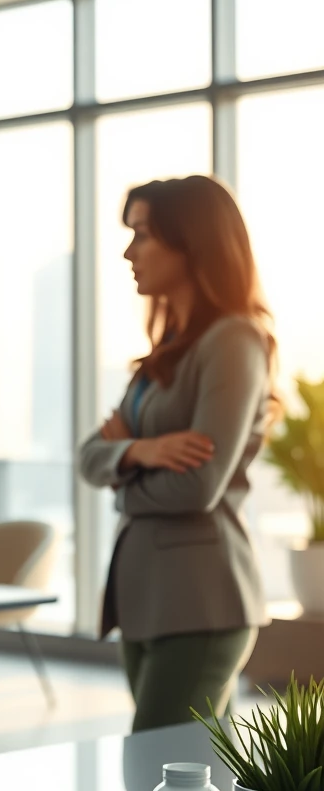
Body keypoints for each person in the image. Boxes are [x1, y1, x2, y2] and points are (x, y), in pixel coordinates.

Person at [78, 175, 276, 733]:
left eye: (142, 234)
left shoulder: (234, 341)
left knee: (159, 761)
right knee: (190, 772)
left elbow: (198, 485)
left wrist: (123, 469)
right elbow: (90, 454)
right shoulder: (164, 355)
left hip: (201, 598)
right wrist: (145, 449)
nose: (128, 251)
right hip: (148, 598)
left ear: (192, 243)